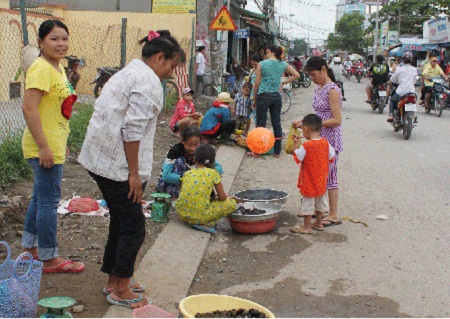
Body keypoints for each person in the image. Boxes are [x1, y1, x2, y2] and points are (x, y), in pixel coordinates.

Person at [78, 30, 185, 309]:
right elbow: (132, 129)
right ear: (160, 57)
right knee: (134, 226)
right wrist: (134, 175)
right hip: (116, 164)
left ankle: (115, 280)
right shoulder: (147, 81)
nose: (170, 73)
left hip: (101, 157)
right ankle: (120, 289)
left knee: (122, 219)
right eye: (171, 66)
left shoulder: (131, 71)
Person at [21, 20, 84, 274]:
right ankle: (49, 259)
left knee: (40, 197)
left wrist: (60, 144)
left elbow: (54, 111)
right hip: (42, 147)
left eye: (64, 38)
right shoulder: (41, 68)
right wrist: (44, 147)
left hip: (52, 146)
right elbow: (29, 108)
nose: (61, 44)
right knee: (49, 201)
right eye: (54, 39)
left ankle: (30, 250)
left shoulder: (55, 68)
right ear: (41, 42)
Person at [293, 56, 343, 227]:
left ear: (323, 70)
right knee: (315, 173)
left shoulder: (332, 90)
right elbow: (318, 114)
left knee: (330, 176)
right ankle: (317, 210)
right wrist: (304, 121)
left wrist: (314, 125)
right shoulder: (319, 88)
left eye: (314, 75)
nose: (312, 79)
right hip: (317, 137)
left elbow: (337, 119)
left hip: (329, 139)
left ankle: (333, 213)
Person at [175, 144, 237, 234]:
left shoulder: (187, 173)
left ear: (194, 159)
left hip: (182, 213)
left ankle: (195, 219)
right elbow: (222, 197)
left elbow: (183, 192)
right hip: (199, 216)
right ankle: (203, 223)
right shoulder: (214, 173)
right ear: (213, 162)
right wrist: (228, 199)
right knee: (231, 204)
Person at [252, 44, 300, 158]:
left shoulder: (262, 64)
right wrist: (283, 83)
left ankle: (258, 151)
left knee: (261, 124)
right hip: (277, 96)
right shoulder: (283, 64)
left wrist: (254, 98)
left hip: (263, 95)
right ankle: (277, 152)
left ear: (269, 51)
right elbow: (296, 75)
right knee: (276, 123)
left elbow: (257, 83)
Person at [290, 114, 335, 234]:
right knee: (321, 200)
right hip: (321, 180)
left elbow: (298, 157)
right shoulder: (325, 143)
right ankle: (319, 223)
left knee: (308, 202)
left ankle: (306, 226)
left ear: (305, 129)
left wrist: (295, 144)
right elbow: (332, 156)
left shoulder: (306, 145)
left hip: (309, 180)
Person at [157, 127, 223, 198]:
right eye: (189, 145)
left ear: (200, 142)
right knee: (181, 161)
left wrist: (208, 174)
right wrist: (188, 178)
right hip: (173, 184)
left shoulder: (202, 151)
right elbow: (166, 176)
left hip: (192, 183)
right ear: (182, 141)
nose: (193, 148)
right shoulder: (174, 152)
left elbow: (218, 167)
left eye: (196, 145)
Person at [387, 52, 417, 122]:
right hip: (411, 91)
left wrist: (390, 81)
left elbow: (393, 79)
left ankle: (391, 115)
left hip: (401, 91)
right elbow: (415, 80)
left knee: (392, 100)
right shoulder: (414, 69)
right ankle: (414, 115)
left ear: (402, 59)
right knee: (413, 103)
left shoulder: (399, 69)